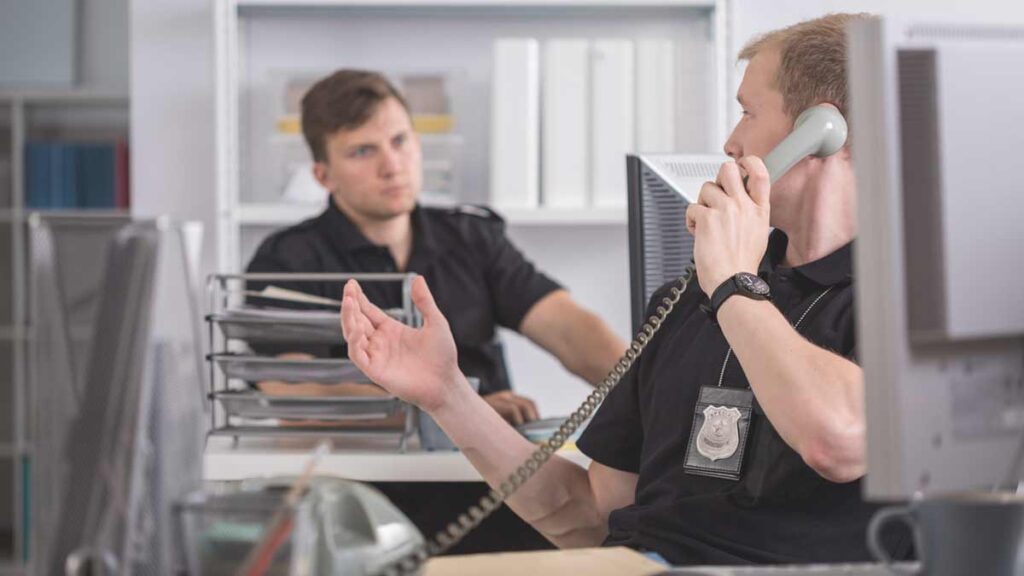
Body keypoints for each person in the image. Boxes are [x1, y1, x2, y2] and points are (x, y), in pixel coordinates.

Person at [340, 13, 910, 566]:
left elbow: (837, 440)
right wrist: (445, 394)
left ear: (820, 133)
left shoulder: (907, 299)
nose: (731, 141)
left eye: (747, 112)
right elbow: (588, 514)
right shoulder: (689, 301)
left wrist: (735, 283)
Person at [245, 69, 627, 552]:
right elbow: (292, 390)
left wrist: (651, 396)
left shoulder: (471, 238)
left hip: (493, 491)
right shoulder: (285, 261)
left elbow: (570, 331)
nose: (393, 165)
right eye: (363, 151)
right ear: (322, 174)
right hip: (357, 506)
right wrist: (457, 408)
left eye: (400, 141)